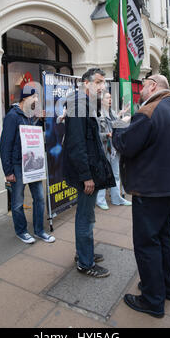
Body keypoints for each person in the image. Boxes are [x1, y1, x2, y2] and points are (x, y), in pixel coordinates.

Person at [112, 74, 170, 318]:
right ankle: (167, 288)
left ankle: (152, 299)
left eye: (143, 85)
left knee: (147, 244)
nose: (141, 90)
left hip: (151, 190)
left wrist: (118, 125)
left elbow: (125, 145)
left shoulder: (148, 111)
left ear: (153, 86)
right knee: (163, 237)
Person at [63, 68, 116, 278]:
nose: (102, 86)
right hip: (86, 173)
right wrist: (86, 176)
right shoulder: (78, 103)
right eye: (98, 82)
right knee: (85, 217)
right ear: (86, 83)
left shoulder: (86, 103)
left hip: (91, 169)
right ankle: (85, 262)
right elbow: (76, 144)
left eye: (104, 83)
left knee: (87, 214)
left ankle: (85, 252)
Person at [0, 85, 55, 244]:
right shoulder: (12, 116)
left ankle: (39, 230)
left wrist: (41, 121)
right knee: (17, 202)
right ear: (25, 98)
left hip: (32, 165)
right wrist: (8, 171)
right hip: (17, 165)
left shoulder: (31, 116)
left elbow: (34, 137)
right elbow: (5, 145)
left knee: (39, 198)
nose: (37, 101)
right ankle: (21, 231)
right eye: (34, 97)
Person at [96, 91, 132, 210]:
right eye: (107, 98)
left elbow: (116, 124)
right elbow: (97, 134)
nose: (110, 99)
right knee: (104, 174)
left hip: (114, 148)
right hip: (105, 148)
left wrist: (123, 116)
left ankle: (116, 198)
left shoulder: (111, 112)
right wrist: (108, 134)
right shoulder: (98, 114)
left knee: (116, 174)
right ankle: (100, 200)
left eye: (111, 97)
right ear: (102, 100)